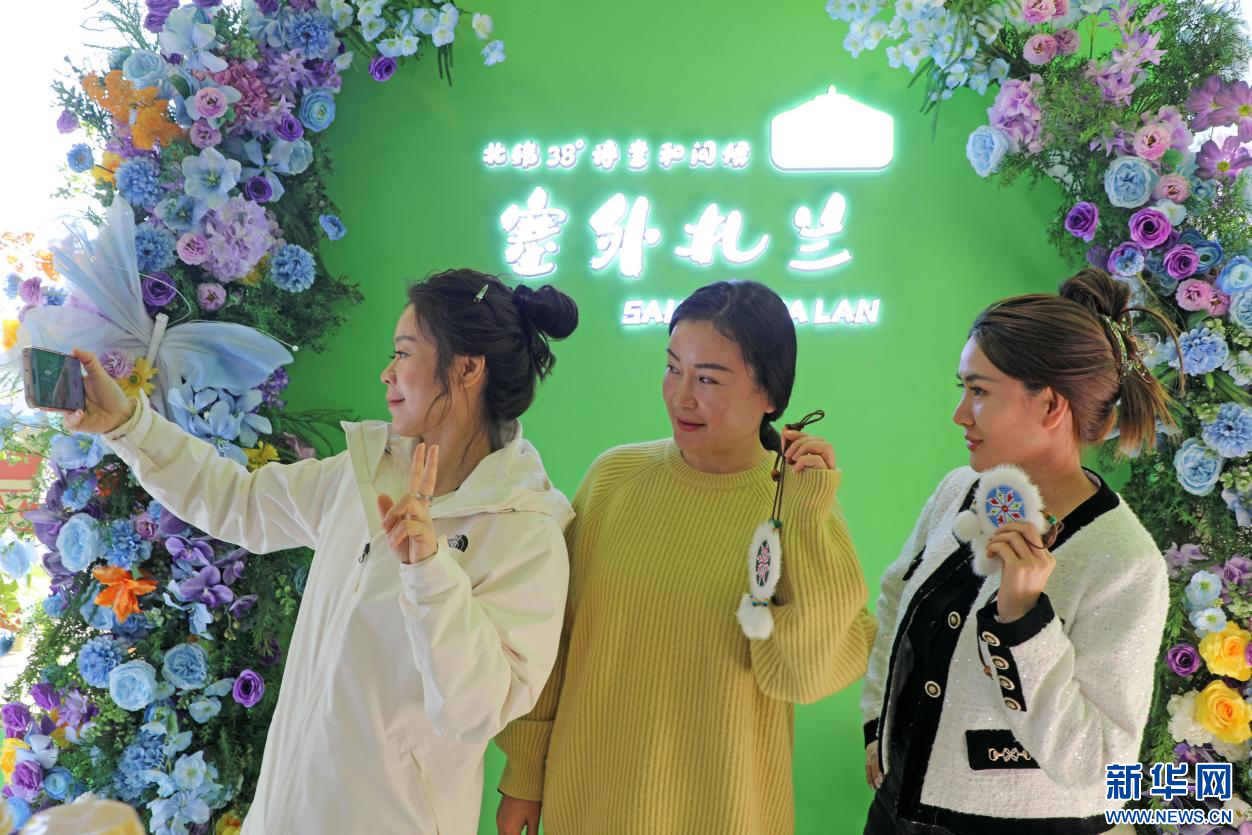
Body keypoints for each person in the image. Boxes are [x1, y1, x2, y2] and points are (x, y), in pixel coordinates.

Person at [59, 269, 579, 835]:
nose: (387, 372)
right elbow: (238, 500)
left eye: (404, 353)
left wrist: (429, 570)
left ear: (467, 369)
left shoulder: (526, 532)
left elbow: (475, 707)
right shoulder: (366, 473)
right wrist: (128, 425)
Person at [496, 279, 876, 835]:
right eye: (673, 369)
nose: (682, 396)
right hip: (588, 803)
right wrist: (524, 774)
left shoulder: (795, 510)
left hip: (726, 812)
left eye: (709, 379)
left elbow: (806, 675)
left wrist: (808, 508)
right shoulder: (614, 478)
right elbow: (555, 638)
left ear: (770, 394)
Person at [861, 268, 1175, 833]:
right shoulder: (960, 489)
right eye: (963, 388)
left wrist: (1024, 622)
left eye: (979, 391)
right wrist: (877, 727)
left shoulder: (1125, 562)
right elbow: (894, 598)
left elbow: (1104, 765)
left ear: (1050, 406)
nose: (960, 413)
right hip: (896, 808)